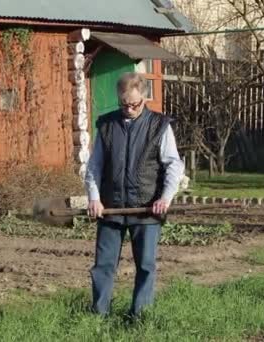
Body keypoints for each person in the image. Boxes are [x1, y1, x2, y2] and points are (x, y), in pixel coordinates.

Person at [85, 72, 184, 317]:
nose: (128, 109)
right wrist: (94, 198)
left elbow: (173, 164)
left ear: (144, 98)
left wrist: (165, 197)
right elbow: (94, 166)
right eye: (123, 104)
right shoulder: (106, 125)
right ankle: (99, 315)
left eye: (134, 104)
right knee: (104, 265)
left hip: (147, 207)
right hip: (111, 207)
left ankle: (140, 316)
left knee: (146, 265)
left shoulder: (159, 125)